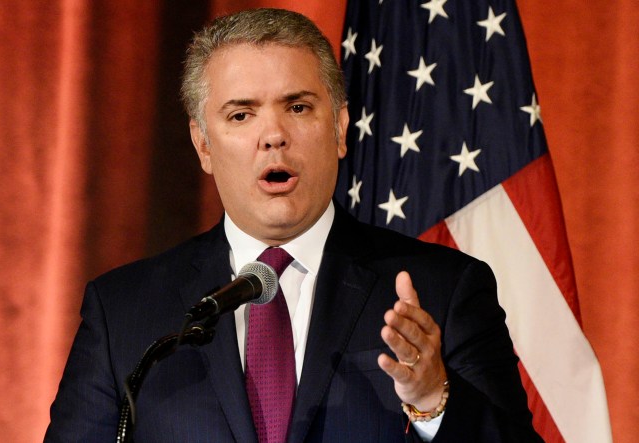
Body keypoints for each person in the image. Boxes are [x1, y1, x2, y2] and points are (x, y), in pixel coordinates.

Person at [45, 8, 541, 443]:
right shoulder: (125, 312)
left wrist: (433, 398)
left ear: (340, 129)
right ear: (203, 146)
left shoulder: (444, 291)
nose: (274, 137)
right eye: (241, 115)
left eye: (298, 107)